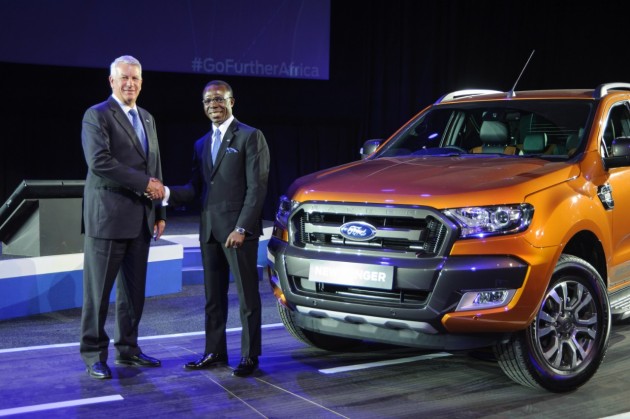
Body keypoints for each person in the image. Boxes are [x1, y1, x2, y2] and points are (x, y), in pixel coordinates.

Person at [167, 80, 270, 377]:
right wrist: (165, 194)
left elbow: (257, 188)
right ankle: (215, 352)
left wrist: (242, 227)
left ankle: (250, 355)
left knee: (248, 297)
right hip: (209, 231)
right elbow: (195, 188)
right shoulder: (201, 143)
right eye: (207, 100)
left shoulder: (251, 137)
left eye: (219, 99)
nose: (213, 104)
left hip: (238, 232)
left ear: (231, 102)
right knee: (213, 297)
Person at [80, 55, 167, 379]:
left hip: (141, 220)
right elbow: (99, 162)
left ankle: (128, 350)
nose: (130, 83)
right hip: (107, 220)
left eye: (136, 78)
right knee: (98, 294)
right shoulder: (97, 115)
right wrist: (145, 184)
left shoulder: (147, 118)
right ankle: (93, 355)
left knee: (133, 293)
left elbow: (154, 166)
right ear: (112, 81)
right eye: (124, 78)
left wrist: (159, 211)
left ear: (141, 83)